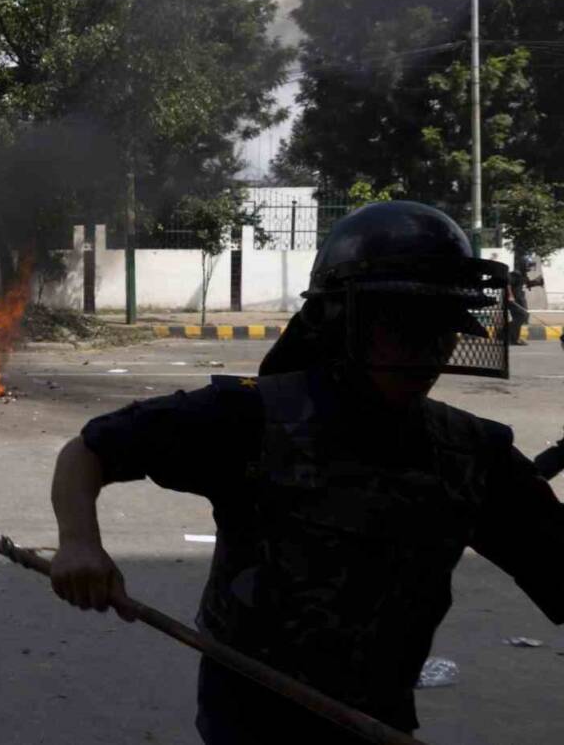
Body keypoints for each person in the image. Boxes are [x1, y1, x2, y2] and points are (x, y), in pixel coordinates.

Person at [47, 202, 564, 745]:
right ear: (343, 324)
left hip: (380, 720)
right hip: (248, 722)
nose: (429, 349)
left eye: (442, 328)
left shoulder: (472, 452)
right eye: (405, 326)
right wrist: (80, 545)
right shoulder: (251, 417)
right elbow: (88, 452)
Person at [507, 253, 544, 346]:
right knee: (521, 317)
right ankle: (508, 336)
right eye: (528, 265)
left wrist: (537, 282)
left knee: (521, 317)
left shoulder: (523, 275)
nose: (529, 267)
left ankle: (512, 338)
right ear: (523, 264)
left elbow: (526, 284)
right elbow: (507, 283)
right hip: (514, 300)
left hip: (520, 299)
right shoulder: (516, 274)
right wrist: (510, 296)